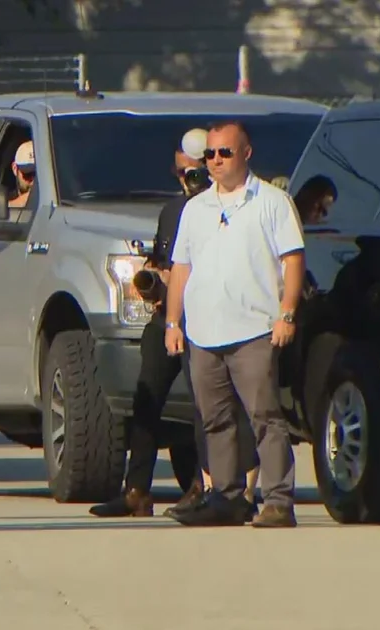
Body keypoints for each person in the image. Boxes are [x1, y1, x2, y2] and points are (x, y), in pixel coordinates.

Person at [88, 131, 260, 519]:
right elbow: (167, 260)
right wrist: (154, 278)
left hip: (205, 319)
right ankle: (136, 490)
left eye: (197, 174)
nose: (189, 183)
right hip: (169, 315)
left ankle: (208, 486)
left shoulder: (224, 209)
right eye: (182, 175)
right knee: (146, 398)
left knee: (207, 404)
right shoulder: (173, 211)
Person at [164, 121, 305, 528]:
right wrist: (173, 322)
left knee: (264, 417)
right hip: (204, 334)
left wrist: (287, 313)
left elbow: (292, 260)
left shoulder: (272, 202)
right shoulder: (196, 208)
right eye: (210, 154)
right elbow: (180, 268)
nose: (215, 161)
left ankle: (278, 499)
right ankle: (226, 497)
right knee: (215, 419)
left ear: (246, 153)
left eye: (224, 153)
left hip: (254, 330)